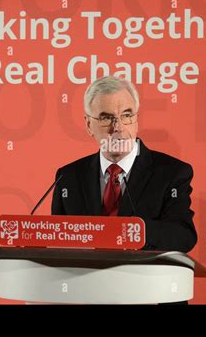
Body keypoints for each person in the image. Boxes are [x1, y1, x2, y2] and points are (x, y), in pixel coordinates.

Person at [51, 75, 197, 254]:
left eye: (126, 115)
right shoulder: (68, 177)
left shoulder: (171, 173)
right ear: (89, 125)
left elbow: (183, 236)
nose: (118, 127)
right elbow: (57, 242)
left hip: (141, 279)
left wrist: (132, 231)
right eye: (106, 118)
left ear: (136, 120)